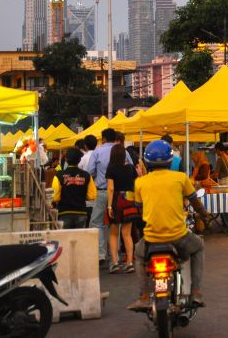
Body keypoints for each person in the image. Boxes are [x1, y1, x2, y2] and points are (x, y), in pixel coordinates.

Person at [127, 140, 208, 311]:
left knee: (139, 255)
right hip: (179, 236)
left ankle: (143, 297)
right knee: (199, 247)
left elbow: (139, 209)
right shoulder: (180, 178)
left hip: (151, 238)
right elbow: (195, 201)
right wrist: (205, 215)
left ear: (147, 162)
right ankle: (196, 292)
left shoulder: (140, 182)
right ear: (170, 161)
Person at [86, 128, 123, 264]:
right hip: (120, 193)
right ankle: (116, 254)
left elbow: (90, 170)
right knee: (117, 223)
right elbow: (130, 167)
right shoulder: (121, 150)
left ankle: (101, 254)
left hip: (102, 191)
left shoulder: (98, 151)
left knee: (97, 222)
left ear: (104, 139)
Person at [106, 144, 140, 273]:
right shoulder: (131, 168)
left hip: (116, 200)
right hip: (129, 200)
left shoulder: (111, 169)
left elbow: (111, 188)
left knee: (114, 233)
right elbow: (136, 185)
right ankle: (130, 262)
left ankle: (115, 263)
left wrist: (109, 206)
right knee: (127, 233)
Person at [51, 147, 97, 230]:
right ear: (79, 161)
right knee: (79, 239)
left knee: (65, 239)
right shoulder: (87, 175)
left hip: (64, 212)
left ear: (66, 159)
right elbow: (92, 196)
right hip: (81, 212)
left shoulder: (59, 175)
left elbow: (54, 197)